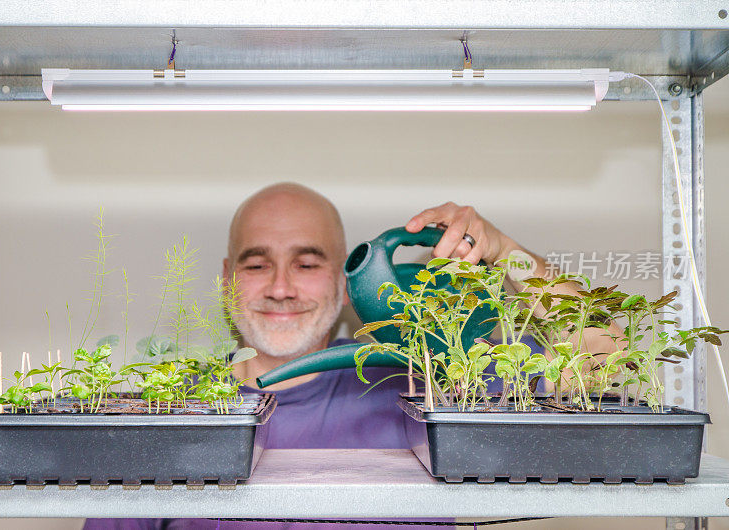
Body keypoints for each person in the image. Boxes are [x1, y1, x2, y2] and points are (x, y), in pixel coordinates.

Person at [84, 183, 622, 530]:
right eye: (255, 265)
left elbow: (609, 356)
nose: (280, 288)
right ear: (226, 281)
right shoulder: (167, 413)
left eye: (307, 263)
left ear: (346, 284)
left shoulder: (415, 378)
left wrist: (505, 251)